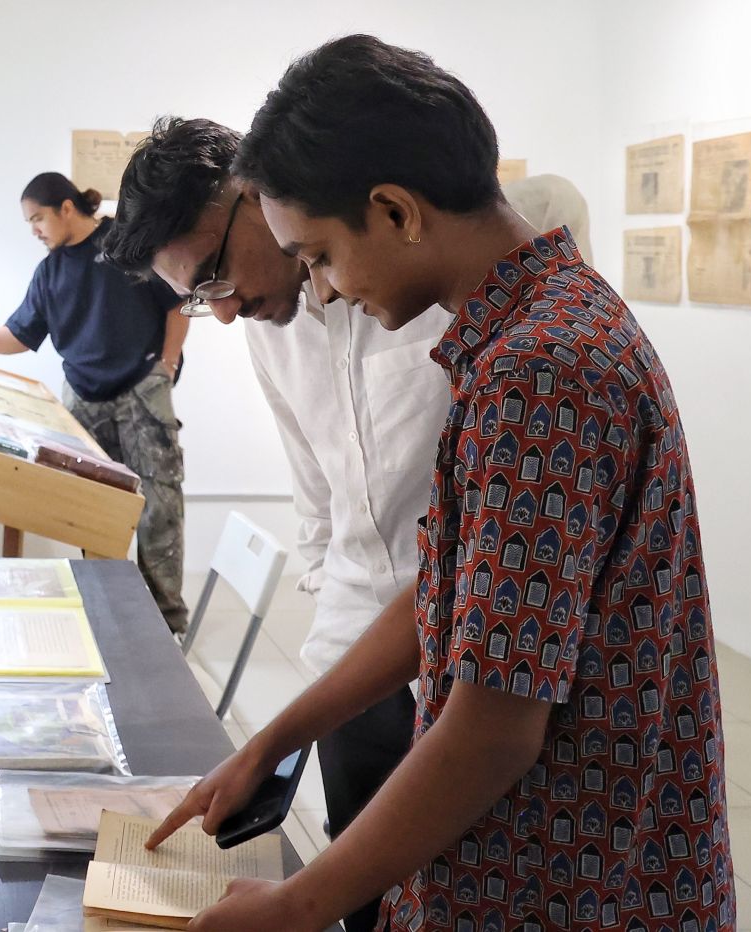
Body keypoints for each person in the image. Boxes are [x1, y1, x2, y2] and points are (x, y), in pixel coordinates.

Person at [147, 35, 735, 932]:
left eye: (318, 258)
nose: (327, 293)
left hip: (559, 881)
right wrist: (274, 740)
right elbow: (452, 592)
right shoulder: (537, 332)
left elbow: (493, 730)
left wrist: (301, 904)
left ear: (395, 211)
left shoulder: (537, 375)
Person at [104, 118, 594, 932]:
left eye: (218, 276)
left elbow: (497, 714)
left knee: (466, 884)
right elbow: (336, 510)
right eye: (196, 298)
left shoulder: (518, 347)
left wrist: (299, 903)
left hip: (492, 670)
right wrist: (282, 733)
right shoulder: (279, 323)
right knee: (379, 901)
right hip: (371, 653)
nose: (221, 314)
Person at [0, 172, 190, 633]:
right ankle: (114, 614)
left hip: (142, 389)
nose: (35, 231)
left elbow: (176, 301)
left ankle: (166, 623)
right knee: (92, 507)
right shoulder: (50, 272)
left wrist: (164, 367)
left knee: (160, 506)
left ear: (67, 208)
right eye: (30, 223)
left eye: (38, 219)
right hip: (84, 397)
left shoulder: (126, 241)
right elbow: (18, 335)